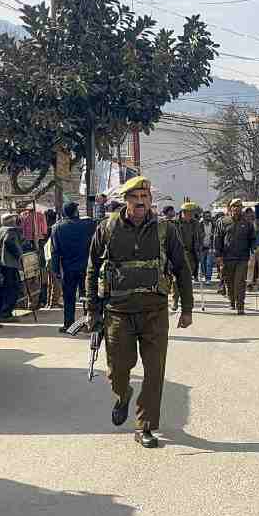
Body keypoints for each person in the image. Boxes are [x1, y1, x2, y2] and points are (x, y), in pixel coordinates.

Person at [85, 176, 194, 449]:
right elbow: (91, 267)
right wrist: (91, 309)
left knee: (155, 371)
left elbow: (181, 268)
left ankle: (145, 426)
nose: (141, 202)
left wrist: (187, 308)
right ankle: (122, 395)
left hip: (154, 310)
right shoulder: (107, 228)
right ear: (126, 200)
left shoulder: (165, 230)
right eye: (136, 198)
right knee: (118, 370)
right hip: (118, 311)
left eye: (146, 198)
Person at [51, 202, 97, 332]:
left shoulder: (57, 227)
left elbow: (55, 251)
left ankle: (69, 324)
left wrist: (56, 270)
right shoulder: (88, 225)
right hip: (86, 267)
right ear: (76, 211)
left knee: (69, 297)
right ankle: (88, 323)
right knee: (87, 296)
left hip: (67, 268)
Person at [215, 199, 255, 315]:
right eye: (234, 206)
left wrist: (253, 248)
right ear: (230, 208)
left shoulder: (247, 222)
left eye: (239, 206)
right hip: (227, 257)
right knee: (229, 282)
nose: (236, 208)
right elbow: (217, 239)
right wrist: (218, 255)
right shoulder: (223, 221)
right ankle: (232, 300)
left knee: (240, 282)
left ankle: (240, 305)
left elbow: (252, 238)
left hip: (242, 258)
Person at [0, 213, 23, 323]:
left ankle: (2, 312)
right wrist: (18, 254)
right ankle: (6, 313)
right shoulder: (10, 230)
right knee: (13, 288)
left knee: (3, 288)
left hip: (0, 264)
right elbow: (8, 241)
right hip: (9, 263)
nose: (14, 220)